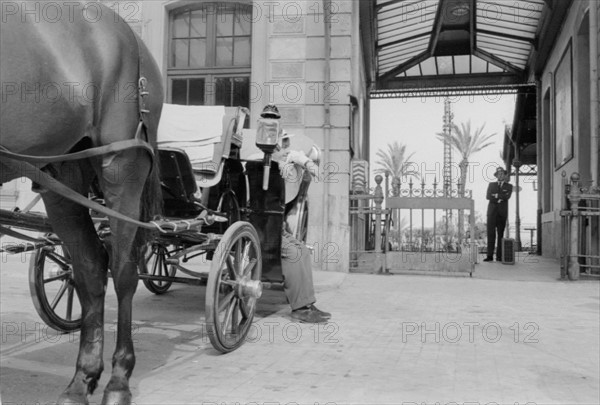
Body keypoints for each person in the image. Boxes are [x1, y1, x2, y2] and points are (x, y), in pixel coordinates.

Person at [259, 104, 330, 323]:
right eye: (267, 119)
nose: (271, 124)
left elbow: (301, 161)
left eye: (274, 120)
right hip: (261, 226)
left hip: (270, 222)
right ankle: (301, 308)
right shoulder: (257, 153)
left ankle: (308, 303)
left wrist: (299, 160)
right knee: (296, 252)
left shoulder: (282, 152)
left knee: (301, 250)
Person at [484, 167, 513, 262]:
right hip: (491, 213)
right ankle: (489, 256)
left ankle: (499, 256)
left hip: (502, 213)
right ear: (496, 176)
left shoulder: (509, 186)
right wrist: (500, 198)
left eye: (502, 174)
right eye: (498, 174)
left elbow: (507, 196)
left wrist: (496, 195)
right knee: (491, 234)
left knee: (500, 234)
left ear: (505, 176)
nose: (500, 176)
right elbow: (488, 196)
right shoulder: (491, 185)